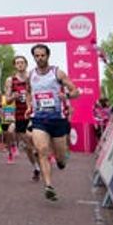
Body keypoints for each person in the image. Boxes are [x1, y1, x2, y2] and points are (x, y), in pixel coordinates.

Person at [27, 44, 80, 201]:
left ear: (48, 56)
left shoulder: (57, 72)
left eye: (42, 55)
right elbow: (28, 92)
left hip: (57, 119)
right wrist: (30, 105)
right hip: (39, 119)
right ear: (34, 57)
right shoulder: (31, 75)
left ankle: (61, 160)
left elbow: (76, 91)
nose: (40, 58)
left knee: (60, 158)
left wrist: (68, 97)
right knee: (42, 150)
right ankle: (48, 186)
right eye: (37, 56)